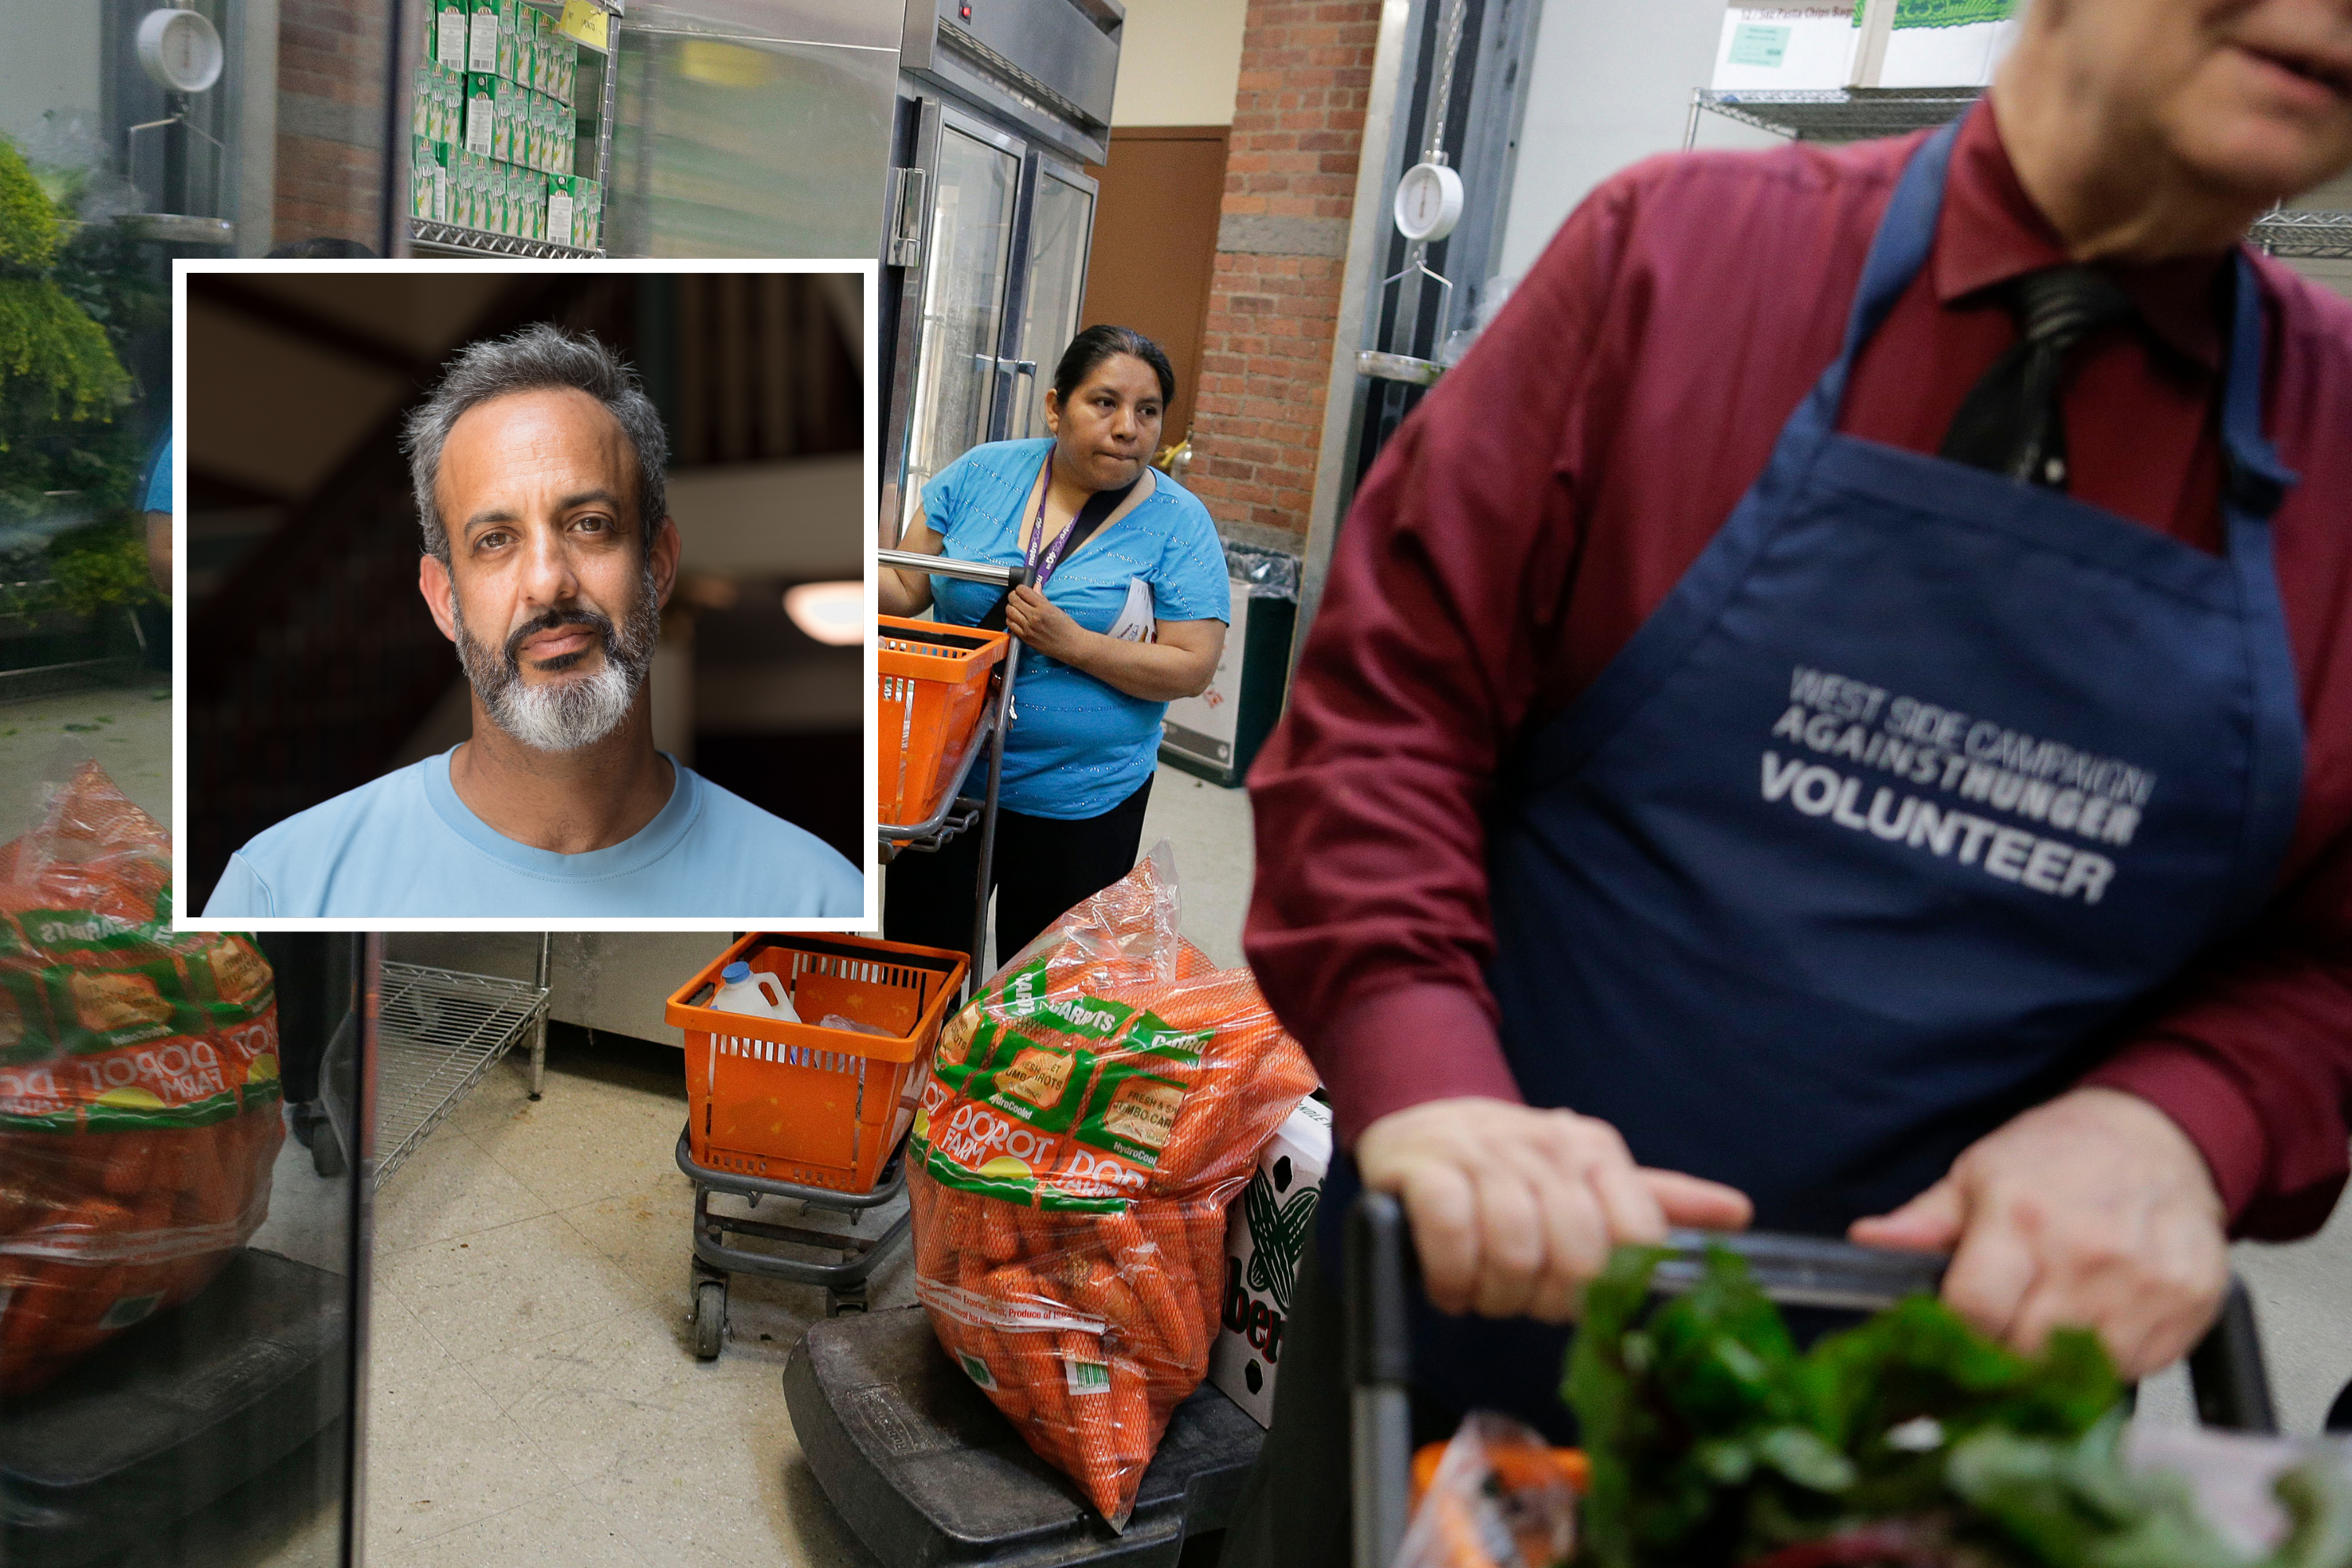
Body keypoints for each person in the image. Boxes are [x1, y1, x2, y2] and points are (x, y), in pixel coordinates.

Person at [1226, 1, 2352, 1561]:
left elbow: (2333, 949)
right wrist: (1428, 1069)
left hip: (1953, 1452)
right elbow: (1384, 719)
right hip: (1479, 1363)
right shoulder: (1677, 266)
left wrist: (2190, 1117)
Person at [201, 325, 862, 918]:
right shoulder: (281, 888)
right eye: (495, 539)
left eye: (590, 526)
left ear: (657, 567)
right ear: (443, 600)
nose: (548, 582)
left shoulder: (821, 899)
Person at [879, 326, 1230, 965]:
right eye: (1104, 403)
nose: (1128, 427)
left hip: (1081, 798)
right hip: (946, 778)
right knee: (920, 965)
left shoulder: (1180, 524)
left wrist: (1073, 644)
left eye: (1147, 412)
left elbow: (1191, 666)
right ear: (1054, 405)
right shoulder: (982, 473)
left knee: (1042, 997)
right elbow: (904, 586)